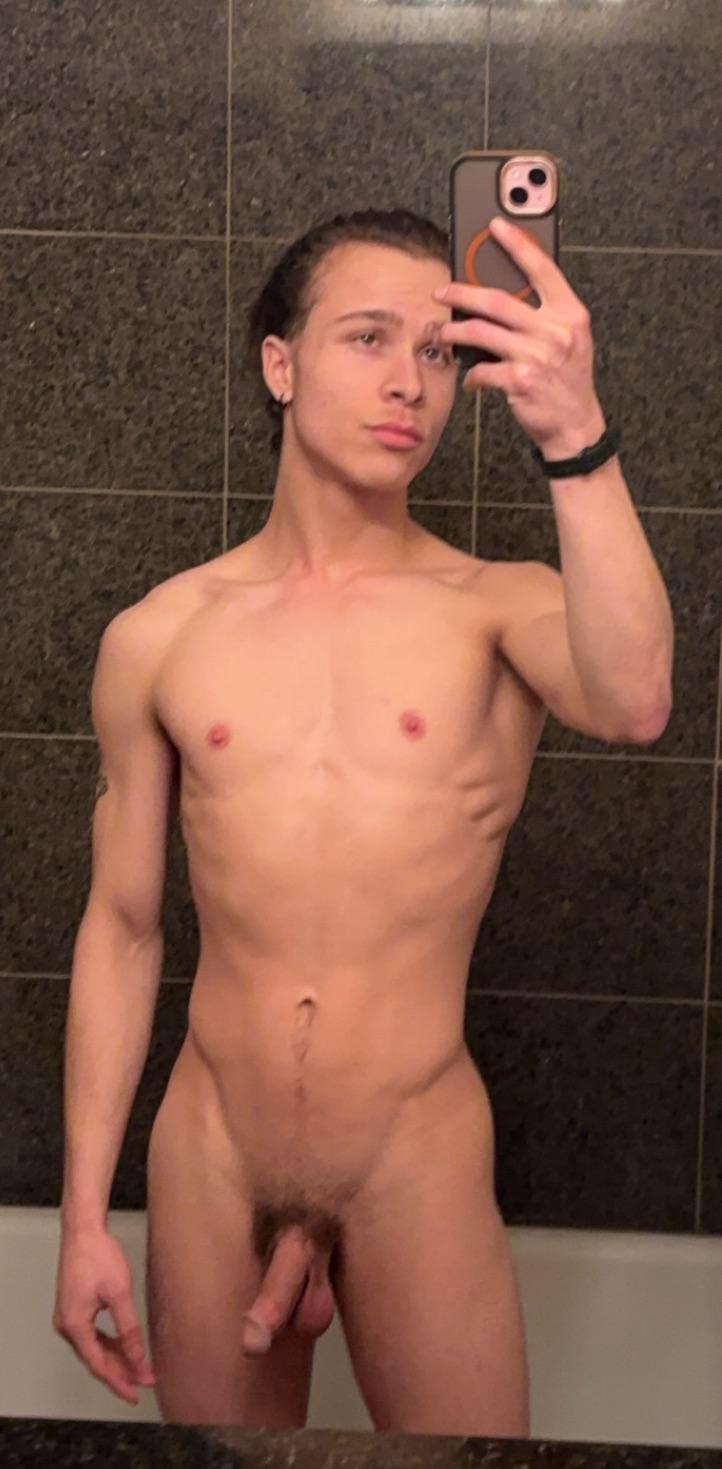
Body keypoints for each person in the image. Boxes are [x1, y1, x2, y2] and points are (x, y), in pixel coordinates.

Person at [52, 208, 673, 1434]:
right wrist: (80, 1219)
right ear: (278, 363)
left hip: (411, 1151)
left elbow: (634, 697)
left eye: (439, 351)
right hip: (213, 1151)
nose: (410, 383)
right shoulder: (162, 634)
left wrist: (574, 434)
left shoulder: (496, 609)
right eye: (368, 337)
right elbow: (121, 928)